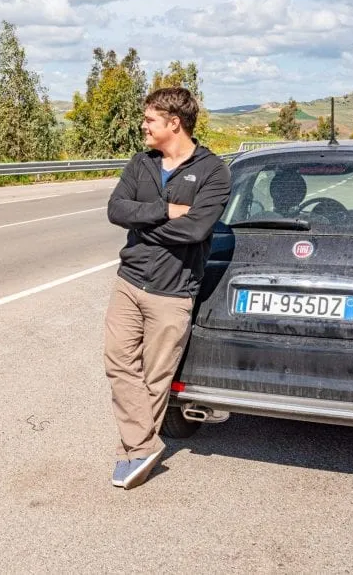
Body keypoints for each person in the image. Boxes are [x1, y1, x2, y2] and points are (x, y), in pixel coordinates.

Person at [104, 87, 232, 490]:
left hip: (172, 291)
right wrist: (163, 211)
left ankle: (134, 455)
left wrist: (141, 226)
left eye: (150, 119)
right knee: (118, 363)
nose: (143, 125)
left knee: (155, 377)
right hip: (129, 282)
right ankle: (143, 447)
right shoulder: (141, 162)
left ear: (174, 123)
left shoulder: (213, 171)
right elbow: (115, 210)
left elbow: (195, 230)